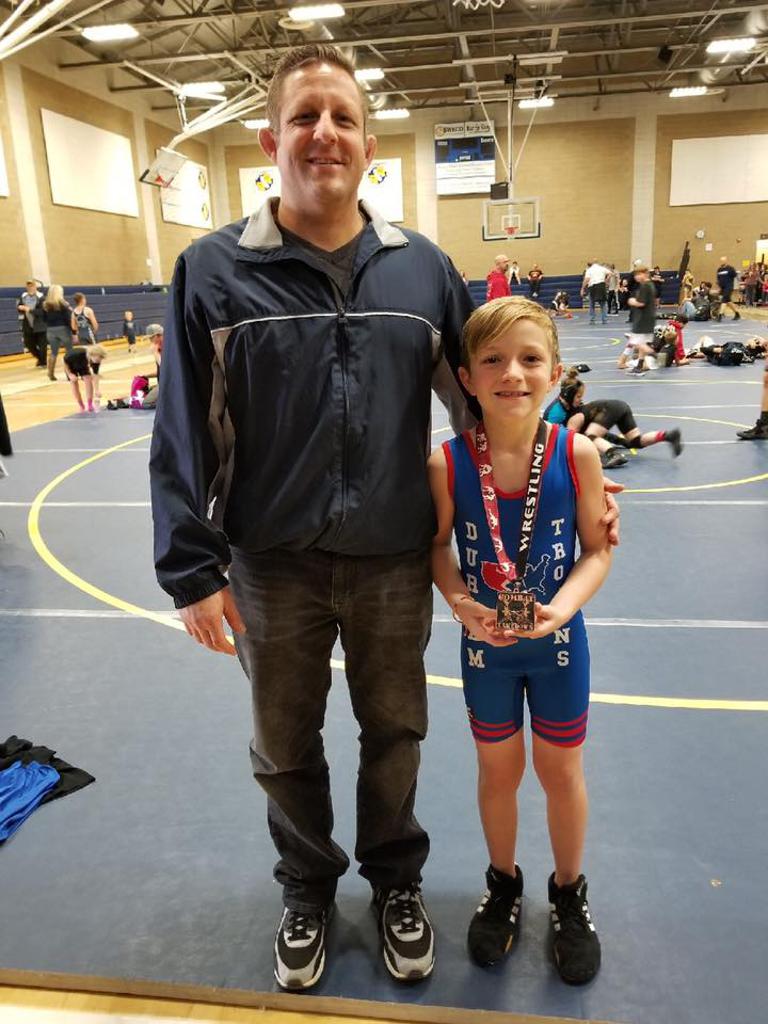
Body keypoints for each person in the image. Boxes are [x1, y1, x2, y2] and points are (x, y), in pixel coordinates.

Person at [148, 43, 622, 994]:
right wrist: (191, 568)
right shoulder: (210, 270)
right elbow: (183, 425)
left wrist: (575, 466)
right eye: (304, 116)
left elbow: (490, 395)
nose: (324, 134)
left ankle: (397, 883)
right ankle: (307, 890)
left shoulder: (422, 271)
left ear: (370, 147)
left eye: (344, 119)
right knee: (284, 747)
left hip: (394, 559)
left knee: (396, 732)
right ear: (269, 141)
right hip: (270, 563)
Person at [428, 297, 611, 984]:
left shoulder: (578, 454)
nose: (512, 373)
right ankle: (503, 883)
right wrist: (461, 603)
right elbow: (438, 549)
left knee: (561, 774)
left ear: (555, 373)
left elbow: (597, 550)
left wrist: (561, 609)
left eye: (531, 358)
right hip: (487, 650)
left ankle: (568, 891)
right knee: (498, 774)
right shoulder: (447, 463)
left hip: (558, 647)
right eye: (493, 360)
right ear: (467, 378)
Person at [545, 367, 683, 463]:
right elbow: (553, 438)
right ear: (568, 395)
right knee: (635, 442)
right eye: (578, 397)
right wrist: (621, 442)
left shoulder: (573, 413)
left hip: (611, 408)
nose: (580, 400)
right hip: (620, 406)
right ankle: (667, 435)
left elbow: (572, 439)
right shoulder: (557, 413)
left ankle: (613, 454)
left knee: (590, 436)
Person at [107, 324, 163, 410]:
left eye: (151, 338)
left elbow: (167, 370)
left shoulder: (167, 348)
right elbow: (161, 371)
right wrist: (145, 375)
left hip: (169, 384)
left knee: (145, 403)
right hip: (164, 383)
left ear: (157, 336)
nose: (150, 341)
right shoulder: (160, 348)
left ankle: (168, 401)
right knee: (148, 391)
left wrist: (155, 353)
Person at [617, 264, 656, 373]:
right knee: (642, 342)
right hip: (649, 318)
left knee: (635, 341)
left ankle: (652, 353)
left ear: (646, 274)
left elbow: (641, 303)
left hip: (642, 319)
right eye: (635, 275)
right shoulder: (650, 285)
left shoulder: (645, 286)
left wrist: (632, 301)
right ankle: (640, 365)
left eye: (639, 274)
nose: (636, 277)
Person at [42, 285, 75, 381]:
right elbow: (68, 319)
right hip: (63, 329)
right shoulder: (63, 304)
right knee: (69, 351)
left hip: (50, 330)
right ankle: (69, 374)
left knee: (53, 352)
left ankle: (50, 373)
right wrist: (73, 331)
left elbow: (44, 319)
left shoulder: (45, 305)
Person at [63, 344, 107, 413]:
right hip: (71, 365)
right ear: (92, 355)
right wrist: (69, 374)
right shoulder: (77, 354)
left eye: (100, 360)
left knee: (88, 379)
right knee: (74, 381)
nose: (98, 361)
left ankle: (90, 404)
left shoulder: (96, 361)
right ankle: (81, 405)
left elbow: (95, 375)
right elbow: (64, 361)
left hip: (83, 365)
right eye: (97, 359)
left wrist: (97, 390)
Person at [17, 279, 45, 366]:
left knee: (42, 346)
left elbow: (42, 312)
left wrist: (30, 310)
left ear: (35, 286)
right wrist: (20, 308)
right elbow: (20, 309)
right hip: (28, 325)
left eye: (32, 286)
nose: (30, 288)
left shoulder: (41, 297)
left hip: (40, 325)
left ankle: (43, 362)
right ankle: (40, 359)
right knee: (28, 344)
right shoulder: (23, 296)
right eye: (28, 286)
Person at [581, 260, 608, 325]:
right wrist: (606, 280)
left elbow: (586, 279)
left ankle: (592, 320)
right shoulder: (602, 268)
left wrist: (582, 288)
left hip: (593, 287)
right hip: (601, 286)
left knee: (592, 304)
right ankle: (604, 320)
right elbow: (610, 273)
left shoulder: (589, 270)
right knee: (603, 304)